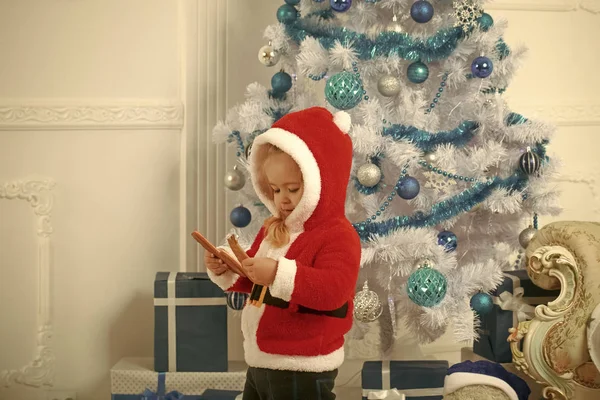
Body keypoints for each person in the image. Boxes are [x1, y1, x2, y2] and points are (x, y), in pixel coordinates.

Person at [205, 106, 361, 400]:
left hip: (301, 366)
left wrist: (278, 273)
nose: (283, 199)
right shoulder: (275, 229)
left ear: (322, 184)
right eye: (275, 190)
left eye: (292, 188)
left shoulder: (338, 235)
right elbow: (253, 276)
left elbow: (333, 291)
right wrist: (225, 266)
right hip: (261, 360)